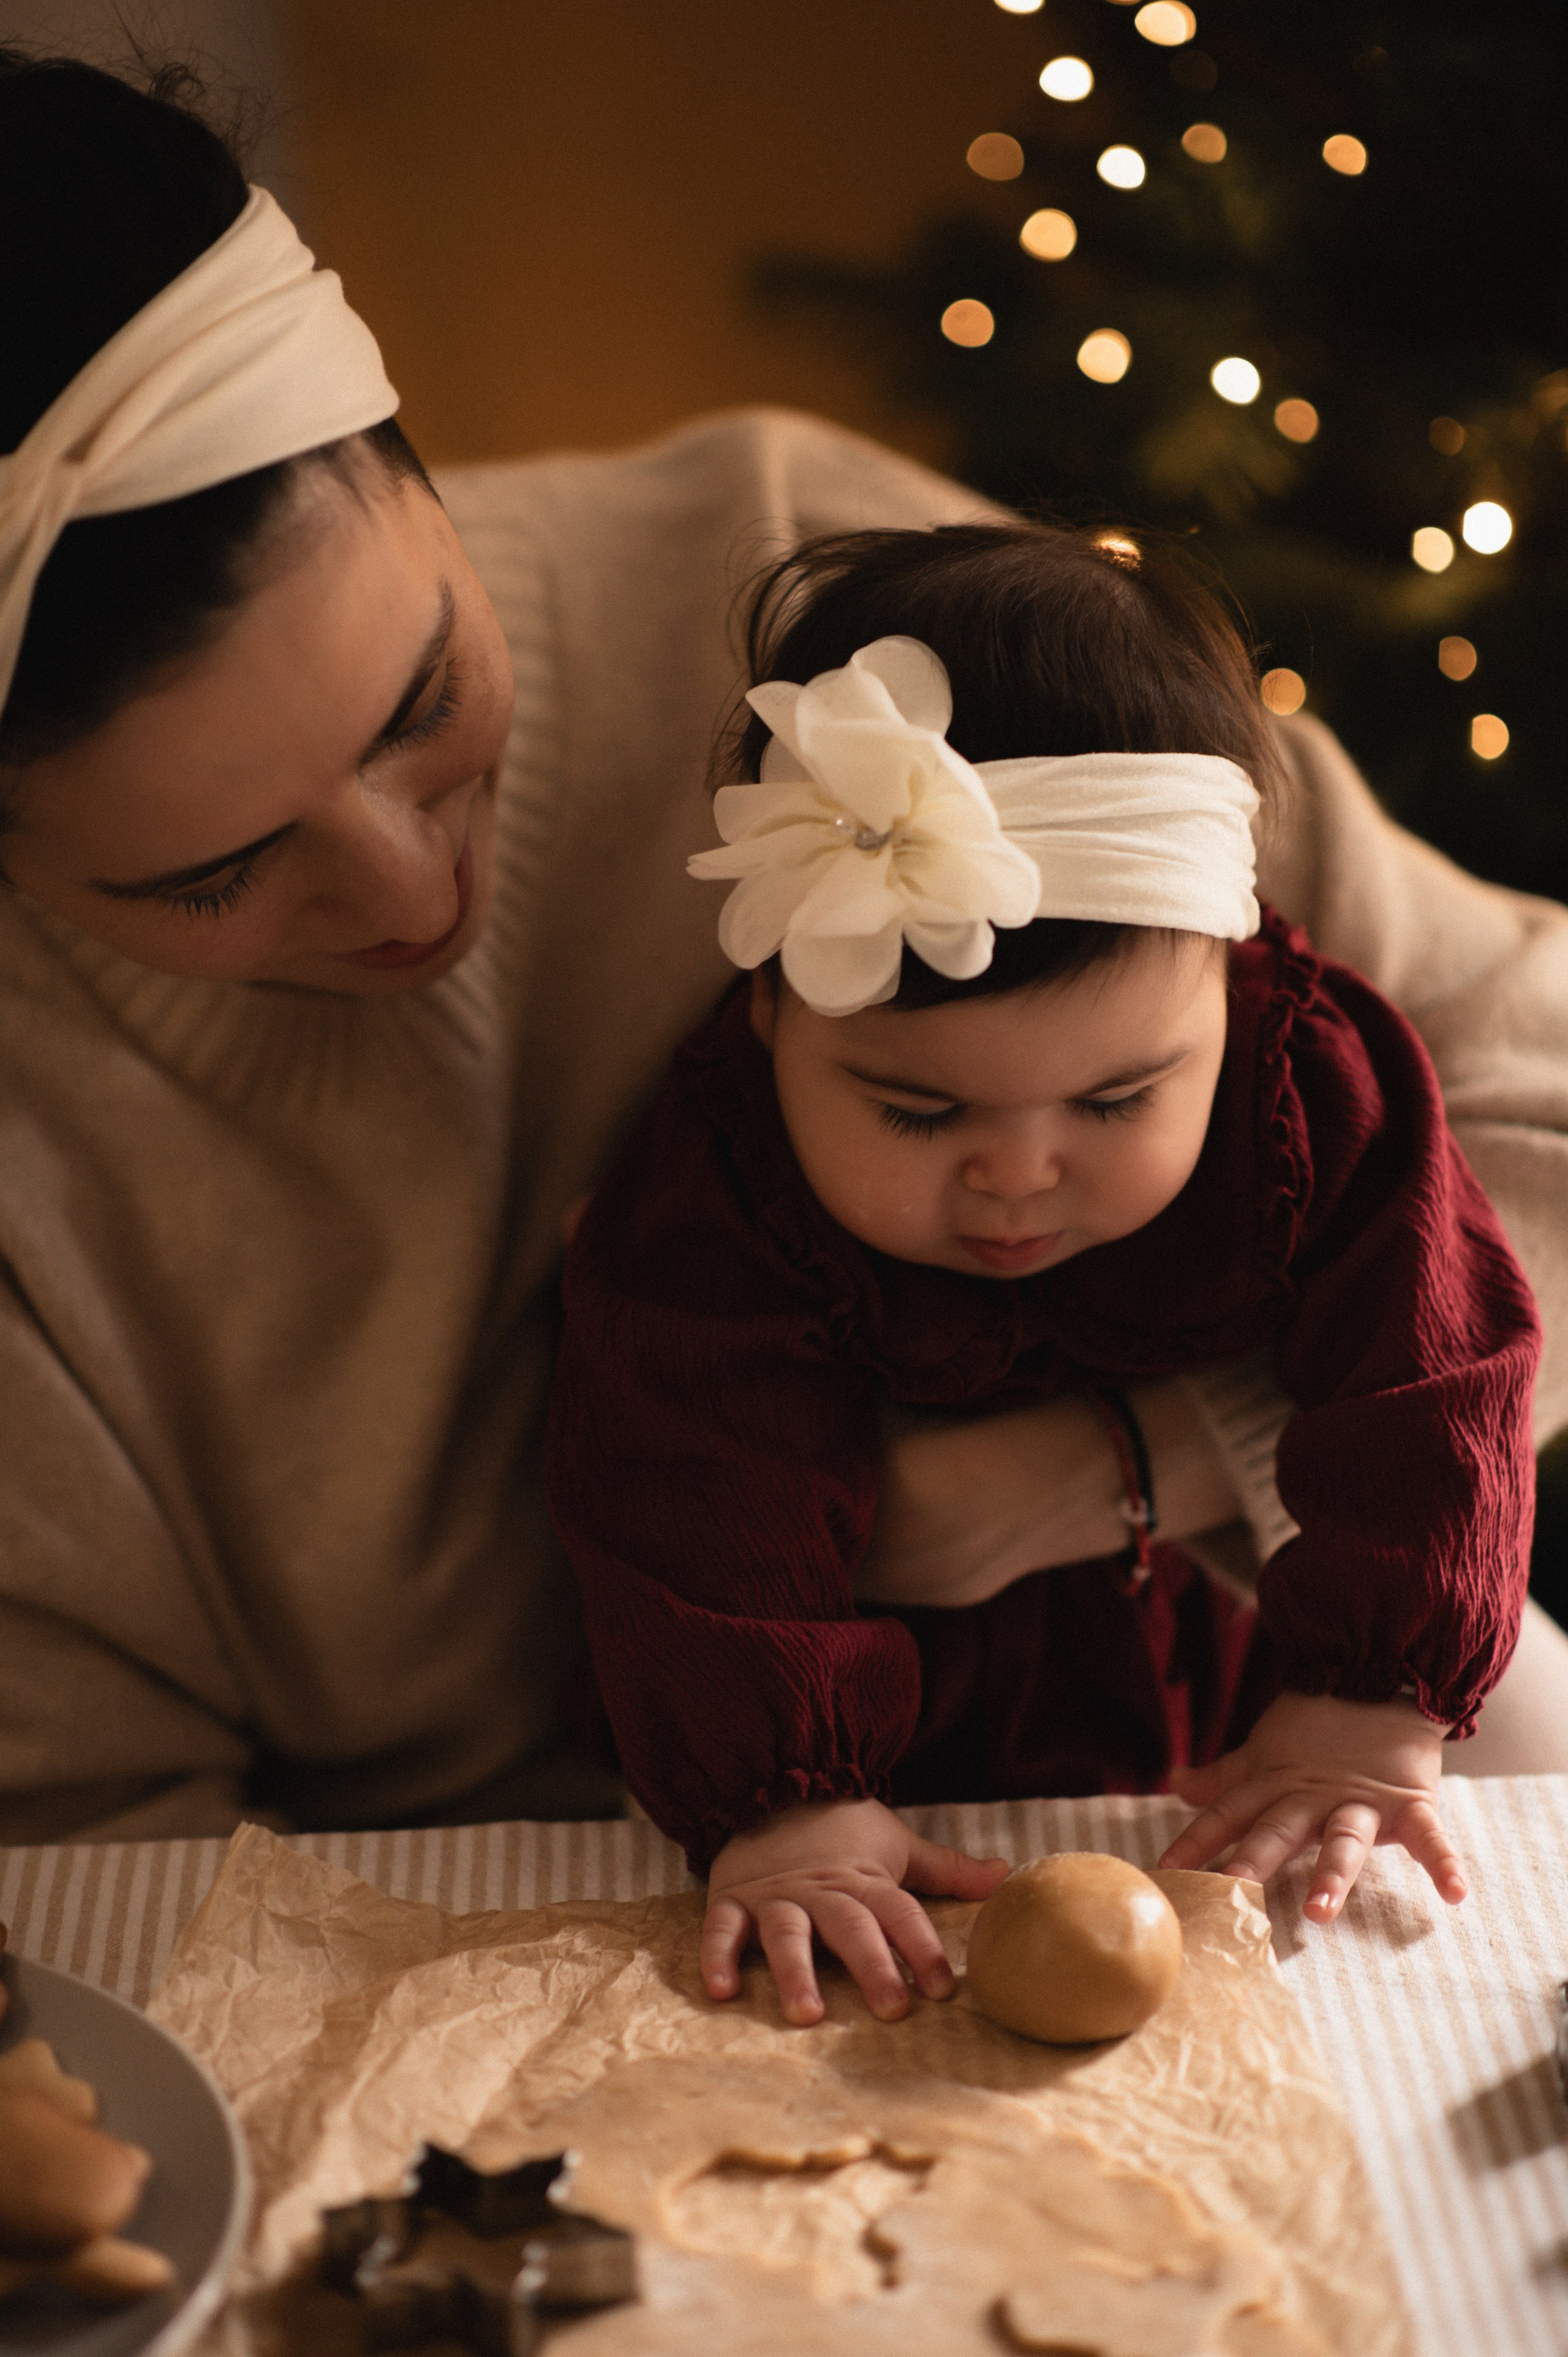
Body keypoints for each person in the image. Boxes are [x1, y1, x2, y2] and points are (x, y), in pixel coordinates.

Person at [2, 50, 1566, 1851]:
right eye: (217, 872)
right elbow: (92, 1873)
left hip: (1209, 1749)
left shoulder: (841, 619)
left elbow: (1537, 1105)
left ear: (408, 459)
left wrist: (1122, 1471)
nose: (407, 892)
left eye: (424, 696)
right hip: (470, 1911)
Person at [545, 526, 1542, 2024]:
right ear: (768, 1019)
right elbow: (683, 1487)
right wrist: (783, 1799)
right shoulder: (713, 1183)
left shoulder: (1311, 1081)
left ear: (1236, 977)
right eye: (916, 1111)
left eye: (1117, 1100)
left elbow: (1438, 1367)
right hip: (852, 1733)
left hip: (1227, 1687)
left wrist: (1359, 1699)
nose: (1018, 1174)